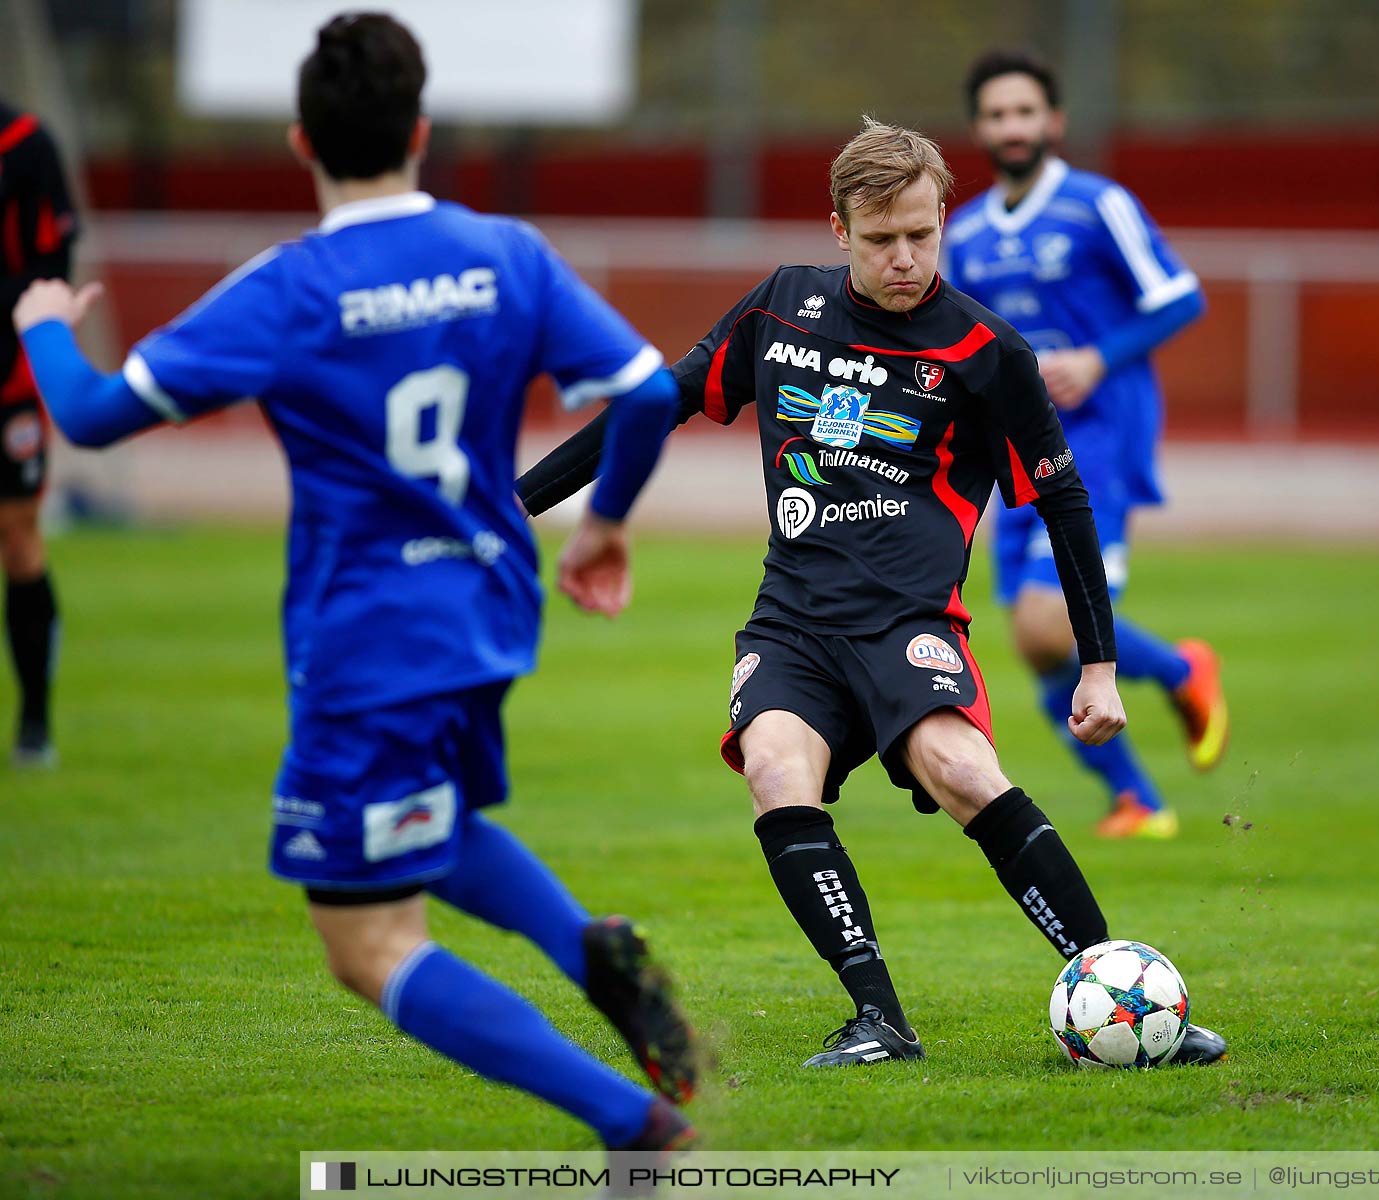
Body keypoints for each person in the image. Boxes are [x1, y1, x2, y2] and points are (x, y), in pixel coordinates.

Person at [12, 13, 697, 1151]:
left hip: (369, 639)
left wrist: (38, 326)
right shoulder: (505, 253)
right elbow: (645, 393)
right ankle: (589, 949)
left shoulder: (290, 287)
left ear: (300, 143)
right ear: (422, 130)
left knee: (368, 945)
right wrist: (602, 527)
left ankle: (635, 1128)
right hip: (488, 610)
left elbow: (85, 412)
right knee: (441, 814)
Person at [518, 118, 1227, 1070]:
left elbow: (1062, 499)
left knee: (964, 772)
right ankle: (879, 1019)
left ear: (943, 222)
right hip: (794, 624)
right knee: (775, 768)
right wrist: (513, 506)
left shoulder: (985, 351)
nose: (905, 259)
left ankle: (1123, 998)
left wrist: (1098, 664)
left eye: (923, 236)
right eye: (883, 238)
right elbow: (657, 403)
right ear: (839, 229)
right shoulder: (779, 312)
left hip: (908, 624)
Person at [941, 50, 1227, 840]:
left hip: (1099, 440)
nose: (1012, 127)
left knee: (1044, 625)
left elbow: (1180, 299)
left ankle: (1179, 670)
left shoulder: (1100, 205)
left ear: (1054, 121)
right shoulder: (961, 235)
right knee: (1039, 653)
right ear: (979, 129)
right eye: (996, 115)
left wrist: (1099, 358)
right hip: (1014, 454)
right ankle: (1139, 800)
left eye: (1025, 111)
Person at [0, 98, 77, 768]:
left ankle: (34, 718)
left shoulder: (25, 143)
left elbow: (53, 262)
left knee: (18, 531)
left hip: (7, 379)